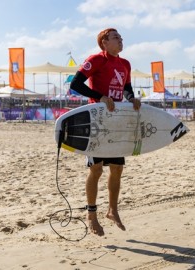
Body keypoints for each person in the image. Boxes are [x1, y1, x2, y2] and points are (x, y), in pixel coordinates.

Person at [70, 28, 141, 236]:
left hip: (116, 121)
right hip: (97, 121)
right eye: (115, 37)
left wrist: (131, 98)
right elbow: (75, 84)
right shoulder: (96, 60)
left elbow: (126, 88)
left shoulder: (125, 63)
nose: (120, 40)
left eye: (120, 37)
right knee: (97, 169)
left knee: (117, 168)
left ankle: (113, 210)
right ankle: (91, 214)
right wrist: (100, 97)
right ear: (104, 43)